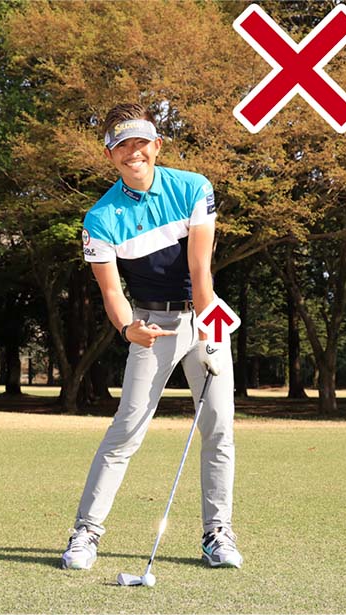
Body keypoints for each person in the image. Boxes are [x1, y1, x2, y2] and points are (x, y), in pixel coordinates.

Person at [62, 102, 242, 571]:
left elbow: (200, 271)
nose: (133, 152)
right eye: (123, 146)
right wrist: (129, 329)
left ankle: (217, 533)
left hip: (203, 314)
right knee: (126, 429)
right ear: (110, 155)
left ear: (157, 145)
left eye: (141, 142)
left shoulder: (193, 187)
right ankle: (85, 533)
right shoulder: (100, 219)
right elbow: (111, 292)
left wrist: (210, 333)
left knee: (219, 426)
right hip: (149, 324)